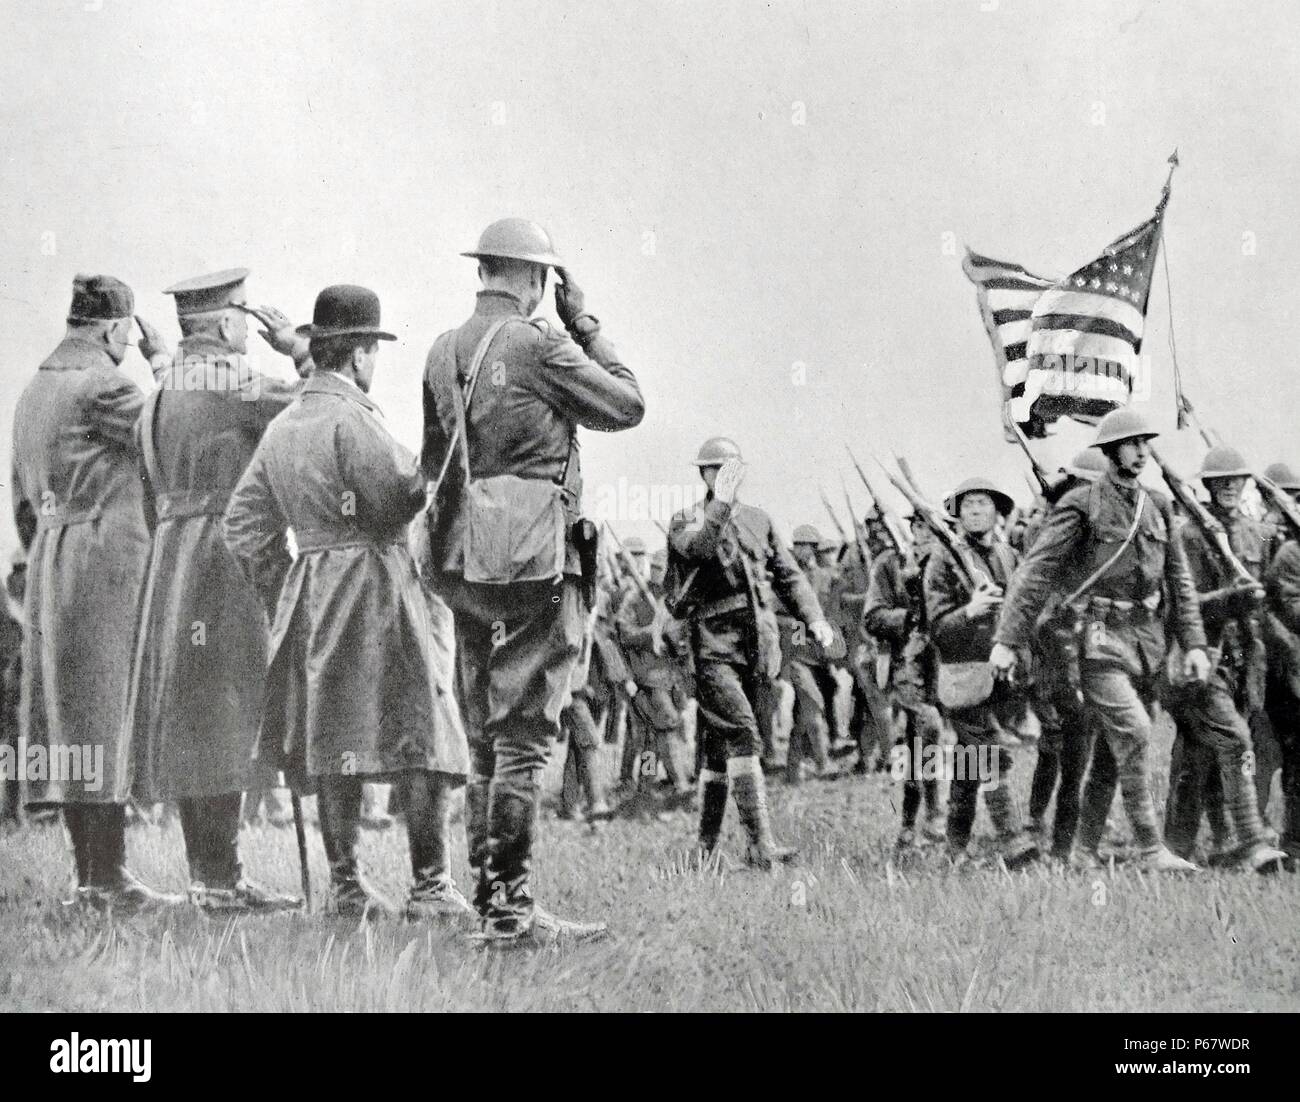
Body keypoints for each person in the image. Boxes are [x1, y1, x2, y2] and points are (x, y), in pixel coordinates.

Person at [421, 219, 643, 945]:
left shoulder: (440, 350)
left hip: (463, 562)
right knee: (524, 734)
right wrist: (585, 323)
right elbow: (627, 404)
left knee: (487, 735)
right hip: (538, 566)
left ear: (483, 269)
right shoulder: (539, 343)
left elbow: (432, 464)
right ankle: (510, 913)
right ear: (536, 279)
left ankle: (494, 906)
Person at [224, 284, 473, 922]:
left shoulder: (285, 425)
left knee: (332, 738)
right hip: (380, 588)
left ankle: (346, 887)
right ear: (361, 355)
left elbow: (243, 523)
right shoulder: (354, 418)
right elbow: (398, 499)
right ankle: (430, 886)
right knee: (420, 729)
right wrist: (436, 461)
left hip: (315, 594)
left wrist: (291, 583)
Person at [127, 269, 306, 913]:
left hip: (171, 560)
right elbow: (317, 403)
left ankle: (213, 875)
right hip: (224, 557)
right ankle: (219, 879)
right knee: (226, 712)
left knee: (193, 717)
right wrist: (300, 349)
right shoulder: (231, 378)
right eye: (244, 321)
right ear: (230, 324)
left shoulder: (162, 390)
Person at [11, 275, 182, 910]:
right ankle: (106, 879)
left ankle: (92, 876)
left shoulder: (33, 391)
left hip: (51, 562)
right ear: (116, 331)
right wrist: (164, 363)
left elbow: (21, 503)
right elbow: (172, 433)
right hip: (104, 564)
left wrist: (46, 554)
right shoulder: (108, 383)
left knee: (69, 724)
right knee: (104, 715)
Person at [990, 409, 1209, 872]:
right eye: (1133, 444)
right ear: (1110, 452)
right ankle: (1151, 849)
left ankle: (1083, 851)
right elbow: (1036, 573)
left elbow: (1179, 579)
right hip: (1098, 639)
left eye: (1146, 443)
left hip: (1146, 640)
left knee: (1113, 750)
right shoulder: (1083, 503)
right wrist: (1008, 639)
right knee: (1135, 730)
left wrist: (1192, 644)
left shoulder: (1158, 505)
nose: (1142, 451)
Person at [666, 437, 833, 867]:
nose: (722, 478)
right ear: (701, 475)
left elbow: (788, 575)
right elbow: (700, 550)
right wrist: (718, 506)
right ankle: (761, 846)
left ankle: (704, 850)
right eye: (713, 470)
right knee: (743, 734)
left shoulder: (759, 520)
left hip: (759, 648)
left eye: (729, 470)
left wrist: (813, 618)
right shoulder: (685, 519)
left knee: (723, 747)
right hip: (711, 647)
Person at [1161, 445, 1286, 872]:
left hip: (1244, 658)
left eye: (1237, 479)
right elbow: (1180, 602)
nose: (1230, 486)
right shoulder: (1188, 535)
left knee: (1208, 754)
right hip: (1201, 656)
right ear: (1208, 485)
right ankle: (1242, 841)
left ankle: (1190, 846)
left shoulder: (1257, 534)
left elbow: (1269, 596)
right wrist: (1226, 601)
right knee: (1220, 745)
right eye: (1221, 480)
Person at [924, 477, 1037, 868]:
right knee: (989, 750)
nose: (974, 511)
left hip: (1002, 675)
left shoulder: (1008, 556)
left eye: (982, 504)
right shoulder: (943, 559)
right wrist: (970, 611)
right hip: (963, 674)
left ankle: (954, 847)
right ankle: (1013, 840)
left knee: (969, 763)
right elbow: (936, 627)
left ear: (996, 512)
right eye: (967, 505)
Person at [864, 511, 945, 848]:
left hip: (949, 659)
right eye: (918, 526)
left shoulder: (950, 560)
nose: (924, 532)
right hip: (908, 660)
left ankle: (929, 822)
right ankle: (928, 815)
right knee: (926, 728)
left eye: (931, 527)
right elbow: (873, 616)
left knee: (957, 738)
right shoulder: (890, 563)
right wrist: (908, 617)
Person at [615, 546, 694, 807]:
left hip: (671, 676)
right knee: (668, 724)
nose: (663, 574)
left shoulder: (674, 599)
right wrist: (651, 633)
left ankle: (645, 787)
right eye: (659, 568)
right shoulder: (635, 598)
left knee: (652, 735)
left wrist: (677, 637)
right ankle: (681, 785)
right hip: (647, 677)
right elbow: (624, 633)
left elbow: (685, 633)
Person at [782, 525, 839, 784]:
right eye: (799, 545)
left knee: (807, 712)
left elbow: (834, 612)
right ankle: (822, 763)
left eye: (808, 546)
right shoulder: (784, 577)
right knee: (812, 706)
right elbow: (781, 616)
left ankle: (793, 769)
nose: (803, 551)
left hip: (821, 657)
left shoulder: (824, 577)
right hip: (797, 656)